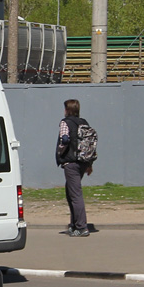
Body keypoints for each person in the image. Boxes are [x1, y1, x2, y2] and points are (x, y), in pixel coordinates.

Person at [56, 98, 92, 237]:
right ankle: (73, 225)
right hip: (83, 162)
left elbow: (64, 139)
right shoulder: (84, 123)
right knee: (70, 193)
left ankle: (82, 227)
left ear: (68, 110)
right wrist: (89, 164)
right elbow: (89, 144)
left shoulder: (65, 122)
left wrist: (60, 152)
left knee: (75, 195)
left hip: (71, 163)